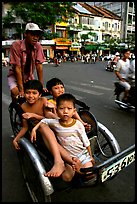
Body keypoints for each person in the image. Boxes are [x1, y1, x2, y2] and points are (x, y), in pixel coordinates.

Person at [12, 79, 82, 178]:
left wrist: (34, 115)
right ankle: (68, 161)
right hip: (40, 132)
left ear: (40, 94)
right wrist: (16, 139)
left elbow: (47, 118)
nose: (31, 96)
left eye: (34, 93)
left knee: (46, 123)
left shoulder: (43, 101)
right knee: (43, 127)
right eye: (28, 93)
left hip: (50, 126)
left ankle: (66, 162)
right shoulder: (23, 106)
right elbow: (25, 127)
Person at [31, 93, 95, 182]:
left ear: (74, 111)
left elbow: (86, 141)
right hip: (68, 156)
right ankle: (76, 168)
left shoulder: (78, 124)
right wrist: (34, 129)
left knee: (89, 175)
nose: (65, 111)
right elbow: (44, 121)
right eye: (61, 108)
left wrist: (90, 156)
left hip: (82, 154)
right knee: (66, 178)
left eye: (69, 109)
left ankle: (79, 169)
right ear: (56, 110)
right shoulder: (55, 123)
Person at [7, 22, 46, 101]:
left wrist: (41, 86)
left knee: (35, 94)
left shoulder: (38, 46)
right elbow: (17, 68)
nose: (35, 37)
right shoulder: (16, 45)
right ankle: (15, 106)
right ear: (25, 34)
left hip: (29, 76)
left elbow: (39, 66)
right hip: (14, 75)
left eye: (37, 35)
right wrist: (21, 90)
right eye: (32, 34)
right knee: (16, 93)